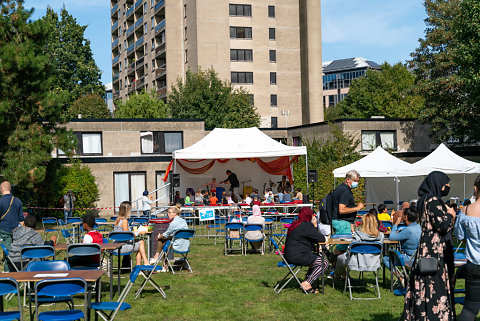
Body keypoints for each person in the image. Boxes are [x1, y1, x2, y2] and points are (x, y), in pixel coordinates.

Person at [401, 171, 456, 321]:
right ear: (438, 184)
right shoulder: (433, 200)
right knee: (434, 283)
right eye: (446, 184)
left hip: (425, 245)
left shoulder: (423, 200)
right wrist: (451, 214)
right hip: (434, 248)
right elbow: (442, 225)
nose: (447, 187)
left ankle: (421, 314)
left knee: (424, 284)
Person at [284, 207, 329, 293]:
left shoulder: (296, 224)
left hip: (290, 254)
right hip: (297, 255)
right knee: (324, 263)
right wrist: (315, 225)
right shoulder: (305, 225)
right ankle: (307, 282)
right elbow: (321, 238)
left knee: (315, 259)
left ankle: (307, 281)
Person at [455, 175, 480, 321]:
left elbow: (458, 235)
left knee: (470, 307)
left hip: (474, 264)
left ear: (475, 188)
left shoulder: (465, 211)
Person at [335, 213, 384, 277]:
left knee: (339, 258)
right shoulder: (380, 236)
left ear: (363, 223)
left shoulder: (357, 234)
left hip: (356, 262)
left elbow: (350, 249)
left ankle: (337, 275)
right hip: (374, 263)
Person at [331, 170, 364, 255]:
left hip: (341, 222)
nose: (356, 183)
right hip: (342, 222)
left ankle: (335, 264)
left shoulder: (341, 188)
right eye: (355, 181)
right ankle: (336, 266)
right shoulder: (345, 191)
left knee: (342, 248)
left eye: (357, 181)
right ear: (348, 180)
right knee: (342, 249)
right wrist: (357, 208)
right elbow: (341, 210)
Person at [114, 201, 149, 266]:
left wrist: (133, 232)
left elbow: (124, 233)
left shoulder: (117, 220)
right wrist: (139, 233)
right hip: (122, 247)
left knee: (140, 244)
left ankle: (142, 265)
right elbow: (128, 237)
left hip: (115, 246)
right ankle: (144, 263)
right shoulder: (125, 221)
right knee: (141, 243)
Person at [0, 181, 24, 271]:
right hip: (16, 230)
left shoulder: (0, 201)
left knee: (7, 251)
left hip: (4, 229)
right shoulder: (18, 201)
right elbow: (21, 219)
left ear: (2, 189)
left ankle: (8, 271)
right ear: (10, 188)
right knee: (15, 250)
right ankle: (16, 267)